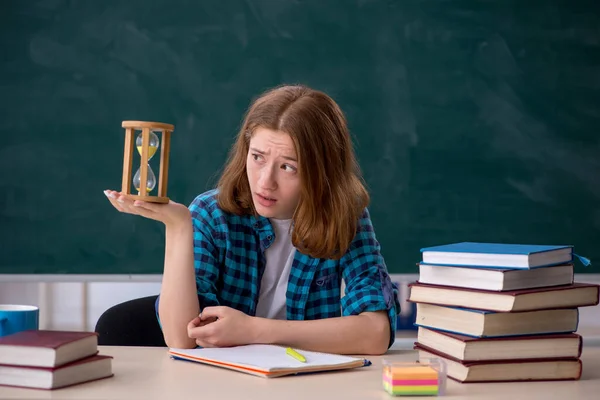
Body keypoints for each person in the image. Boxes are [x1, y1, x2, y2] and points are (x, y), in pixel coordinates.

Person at [104, 84, 399, 355]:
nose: (265, 182)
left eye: (287, 167)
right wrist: (178, 226)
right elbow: (181, 338)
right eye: (257, 157)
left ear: (322, 171)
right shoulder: (211, 213)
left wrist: (252, 329)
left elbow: (375, 333)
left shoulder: (345, 214)